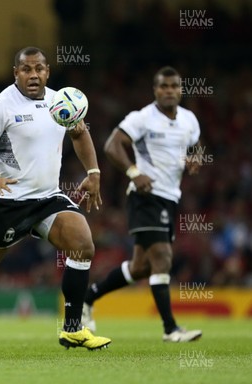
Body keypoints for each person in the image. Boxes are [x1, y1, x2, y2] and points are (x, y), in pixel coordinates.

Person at [0, 46, 111, 350]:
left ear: (47, 72)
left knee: (82, 244)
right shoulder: (0, 105)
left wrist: (93, 171)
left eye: (39, 69)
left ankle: (71, 329)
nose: (33, 75)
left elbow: (79, 133)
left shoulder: (60, 101)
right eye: (26, 69)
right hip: (9, 200)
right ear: (16, 73)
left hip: (48, 198)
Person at [82, 66, 202, 342]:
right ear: (155, 90)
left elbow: (194, 145)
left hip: (171, 197)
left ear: (181, 89)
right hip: (146, 197)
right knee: (162, 257)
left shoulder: (189, 120)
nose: (169, 91)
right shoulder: (142, 118)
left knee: (140, 267)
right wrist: (134, 173)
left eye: (174, 86)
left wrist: (193, 159)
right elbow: (113, 145)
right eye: (164, 86)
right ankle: (170, 329)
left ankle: (89, 297)